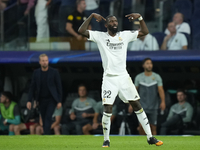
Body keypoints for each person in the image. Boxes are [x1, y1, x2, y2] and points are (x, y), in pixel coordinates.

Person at [78, 13, 163, 147]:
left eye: (116, 21)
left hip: (123, 77)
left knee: (136, 105)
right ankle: (106, 139)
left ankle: (150, 137)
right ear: (106, 25)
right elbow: (81, 31)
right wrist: (92, 16)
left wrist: (140, 17)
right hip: (109, 79)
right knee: (107, 108)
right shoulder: (100, 36)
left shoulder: (124, 35)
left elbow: (145, 31)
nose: (115, 23)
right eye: (111, 21)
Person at [27, 53, 62, 135]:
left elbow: (59, 87)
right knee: (43, 117)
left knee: (48, 117)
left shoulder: (54, 72)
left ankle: (47, 135)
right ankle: (47, 134)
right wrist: (29, 100)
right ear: (39, 62)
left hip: (52, 99)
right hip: (41, 99)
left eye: (46, 60)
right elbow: (32, 87)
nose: (45, 62)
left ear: (48, 61)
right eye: (43, 61)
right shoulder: (36, 73)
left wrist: (59, 101)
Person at [134, 58, 165, 135]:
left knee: (153, 126)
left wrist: (163, 102)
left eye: (150, 63)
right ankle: (142, 142)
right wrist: (132, 104)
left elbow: (160, 90)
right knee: (141, 126)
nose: (149, 65)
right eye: (147, 63)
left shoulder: (157, 77)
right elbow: (134, 91)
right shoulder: (139, 77)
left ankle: (154, 143)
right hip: (142, 106)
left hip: (154, 106)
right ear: (143, 65)